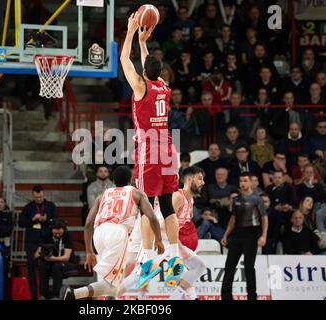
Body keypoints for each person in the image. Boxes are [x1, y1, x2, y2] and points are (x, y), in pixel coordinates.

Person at [120, 14, 183, 288]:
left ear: (145, 71)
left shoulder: (140, 86)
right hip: (168, 147)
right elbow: (149, 67)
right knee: (167, 205)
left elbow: (124, 60)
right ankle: (174, 258)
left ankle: (146, 262)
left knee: (146, 205)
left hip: (149, 150)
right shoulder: (165, 87)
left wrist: (132, 32)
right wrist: (145, 44)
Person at [64, 166, 164, 300]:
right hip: (117, 233)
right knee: (111, 286)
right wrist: (158, 239)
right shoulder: (136, 193)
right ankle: (75, 294)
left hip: (98, 234)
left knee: (113, 281)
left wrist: (89, 251)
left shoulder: (103, 194)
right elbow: (152, 217)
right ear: (130, 180)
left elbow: (88, 223)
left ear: (113, 180)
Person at [120, 166, 207, 300]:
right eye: (200, 179)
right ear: (189, 179)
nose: (203, 182)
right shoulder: (178, 197)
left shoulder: (191, 200)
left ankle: (177, 298)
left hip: (170, 243)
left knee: (199, 266)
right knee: (138, 275)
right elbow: (161, 224)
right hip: (157, 240)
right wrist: (178, 246)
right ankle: (111, 296)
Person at [220, 173, 268, 300]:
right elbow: (233, 218)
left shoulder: (256, 199)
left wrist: (263, 236)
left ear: (251, 183)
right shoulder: (237, 199)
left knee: (248, 267)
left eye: (245, 181)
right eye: (241, 181)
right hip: (237, 234)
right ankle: (225, 296)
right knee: (229, 265)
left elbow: (264, 217)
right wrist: (226, 235)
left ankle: (252, 296)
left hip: (251, 234)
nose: (242, 183)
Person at [18, 185, 58, 300]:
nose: (39, 199)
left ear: (43, 194)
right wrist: (33, 219)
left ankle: (45, 294)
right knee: (31, 270)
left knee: (45, 268)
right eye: (36, 197)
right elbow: (21, 223)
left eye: (40, 197)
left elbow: (56, 220)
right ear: (33, 195)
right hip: (32, 242)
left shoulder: (50, 206)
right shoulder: (28, 207)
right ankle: (34, 296)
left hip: (47, 241)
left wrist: (47, 219)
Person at [36, 218, 76, 300]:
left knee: (56, 267)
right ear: (51, 229)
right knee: (43, 267)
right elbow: (40, 251)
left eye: (59, 232)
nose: (57, 235)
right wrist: (43, 255)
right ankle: (43, 295)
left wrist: (53, 258)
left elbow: (66, 257)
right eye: (55, 233)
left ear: (64, 229)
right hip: (51, 261)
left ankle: (56, 296)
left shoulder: (67, 236)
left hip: (67, 263)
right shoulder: (47, 235)